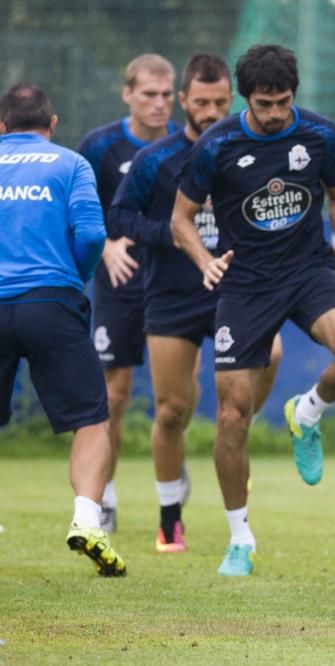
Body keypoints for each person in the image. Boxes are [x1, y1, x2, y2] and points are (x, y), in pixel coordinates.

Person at [171, 44, 335, 576]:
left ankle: (306, 414)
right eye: (264, 104)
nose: (275, 113)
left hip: (308, 270)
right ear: (247, 99)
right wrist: (204, 260)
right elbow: (181, 220)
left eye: (283, 101)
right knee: (232, 416)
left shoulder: (320, 134)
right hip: (245, 286)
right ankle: (240, 538)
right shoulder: (217, 145)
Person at [109, 54, 282, 554]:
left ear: (234, 101)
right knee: (171, 411)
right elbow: (120, 218)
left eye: (220, 102)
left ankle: (236, 438)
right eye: (201, 102)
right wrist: (172, 234)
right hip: (172, 296)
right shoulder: (157, 160)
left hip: (235, 293)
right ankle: (169, 516)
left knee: (272, 355)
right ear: (183, 102)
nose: (211, 111)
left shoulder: (249, 150)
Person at [0, 83, 125, 576]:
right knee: (91, 420)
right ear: (52, 125)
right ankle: (88, 520)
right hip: (51, 300)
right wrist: (75, 274)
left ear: (2, 126)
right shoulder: (70, 163)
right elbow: (93, 233)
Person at [78, 53, 177, 533]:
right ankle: (106, 497)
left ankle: (171, 475)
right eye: (148, 94)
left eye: (166, 94)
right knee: (112, 397)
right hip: (119, 284)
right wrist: (108, 246)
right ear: (127, 94)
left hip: (177, 285)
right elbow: (80, 214)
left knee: (174, 398)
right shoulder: (100, 147)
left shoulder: (187, 146)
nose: (159, 104)